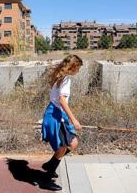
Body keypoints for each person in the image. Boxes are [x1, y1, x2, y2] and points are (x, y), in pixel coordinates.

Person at [41, 54, 83, 186]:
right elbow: (62, 100)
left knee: (73, 143)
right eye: (78, 68)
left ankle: (50, 165)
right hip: (55, 114)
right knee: (63, 147)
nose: (79, 71)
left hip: (57, 114)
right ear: (73, 67)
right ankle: (46, 180)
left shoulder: (60, 76)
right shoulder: (66, 79)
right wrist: (74, 120)